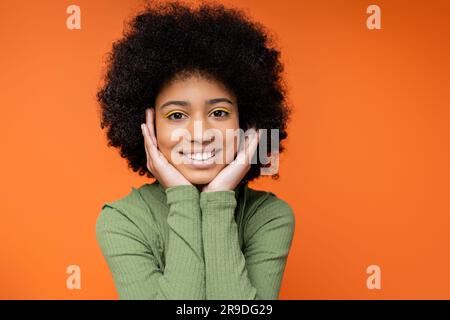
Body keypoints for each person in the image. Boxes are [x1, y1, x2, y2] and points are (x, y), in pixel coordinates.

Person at [95, 0, 295, 300]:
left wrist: (217, 201)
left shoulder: (269, 217)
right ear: (148, 127)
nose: (200, 135)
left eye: (219, 113)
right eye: (176, 116)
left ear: (248, 125)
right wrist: (184, 200)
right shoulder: (122, 220)